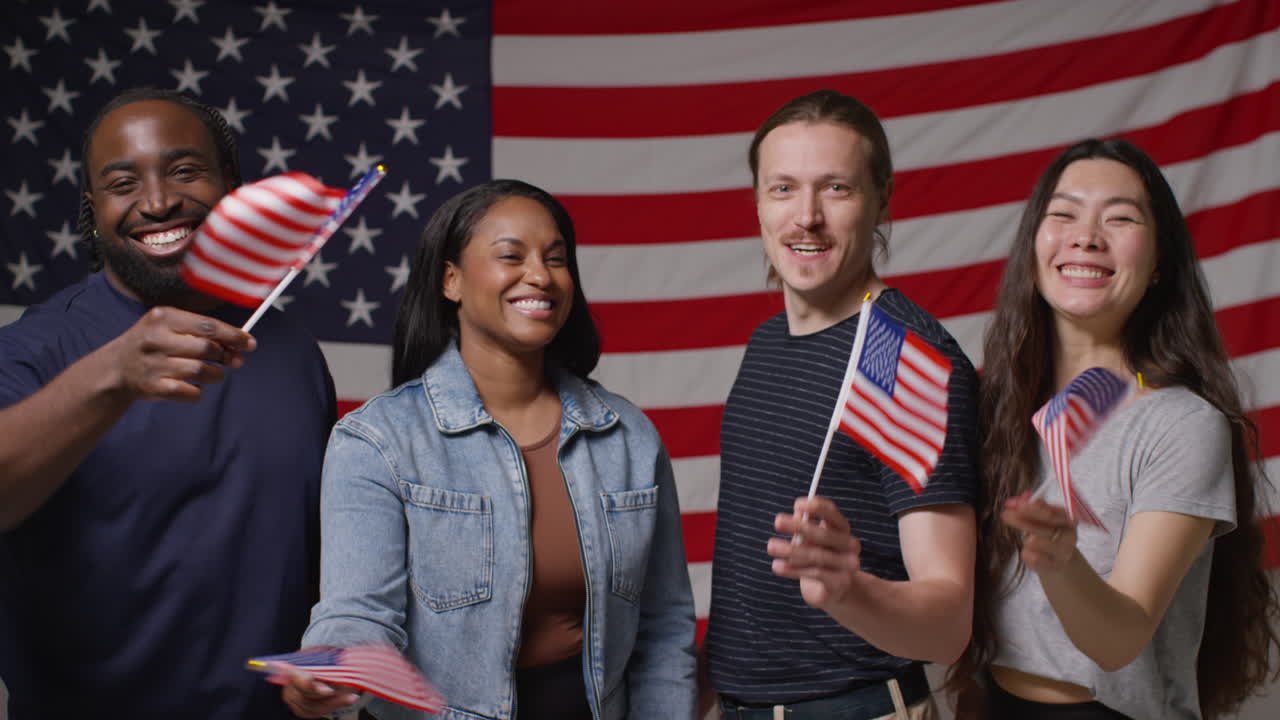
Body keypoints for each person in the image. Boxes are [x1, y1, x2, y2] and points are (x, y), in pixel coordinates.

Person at [280, 179, 697, 720]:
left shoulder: (628, 436)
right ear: (450, 280)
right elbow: (359, 611)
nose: (540, 275)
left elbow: (664, 628)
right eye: (511, 256)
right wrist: (333, 664)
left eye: (555, 258)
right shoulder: (377, 440)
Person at [0, 88, 335, 718]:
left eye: (184, 171)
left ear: (232, 186)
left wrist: (328, 659)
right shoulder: (33, 350)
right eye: (123, 183)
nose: (157, 202)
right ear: (93, 207)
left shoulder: (291, 350)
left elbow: (311, 555)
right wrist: (114, 375)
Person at [951, 138, 1279, 719]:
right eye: (1064, 214)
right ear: (1033, 246)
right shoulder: (993, 410)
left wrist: (1062, 562)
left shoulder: (1182, 425)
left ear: (1158, 265)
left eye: (1120, 218)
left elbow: (1118, 640)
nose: (1086, 236)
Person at [701, 89, 981, 720]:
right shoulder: (767, 343)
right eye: (783, 189)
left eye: (836, 188)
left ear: (881, 200)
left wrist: (847, 590)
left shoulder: (900, 359)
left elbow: (949, 626)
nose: (806, 217)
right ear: (758, 202)